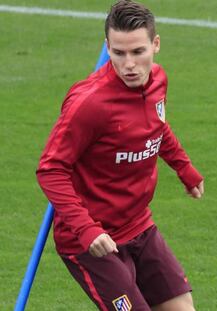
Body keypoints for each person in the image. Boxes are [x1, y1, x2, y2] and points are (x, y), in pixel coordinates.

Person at [36, 1, 204, 310]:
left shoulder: (158, 81)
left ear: (155, 44)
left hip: (139, 224)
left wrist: (184, 168)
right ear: (107, 47)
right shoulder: (89, 104)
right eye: (119, 53)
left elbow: (157, 127)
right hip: (90, 242)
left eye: (138, 52)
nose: (129, 64)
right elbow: (51, 169)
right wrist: (86, 229)